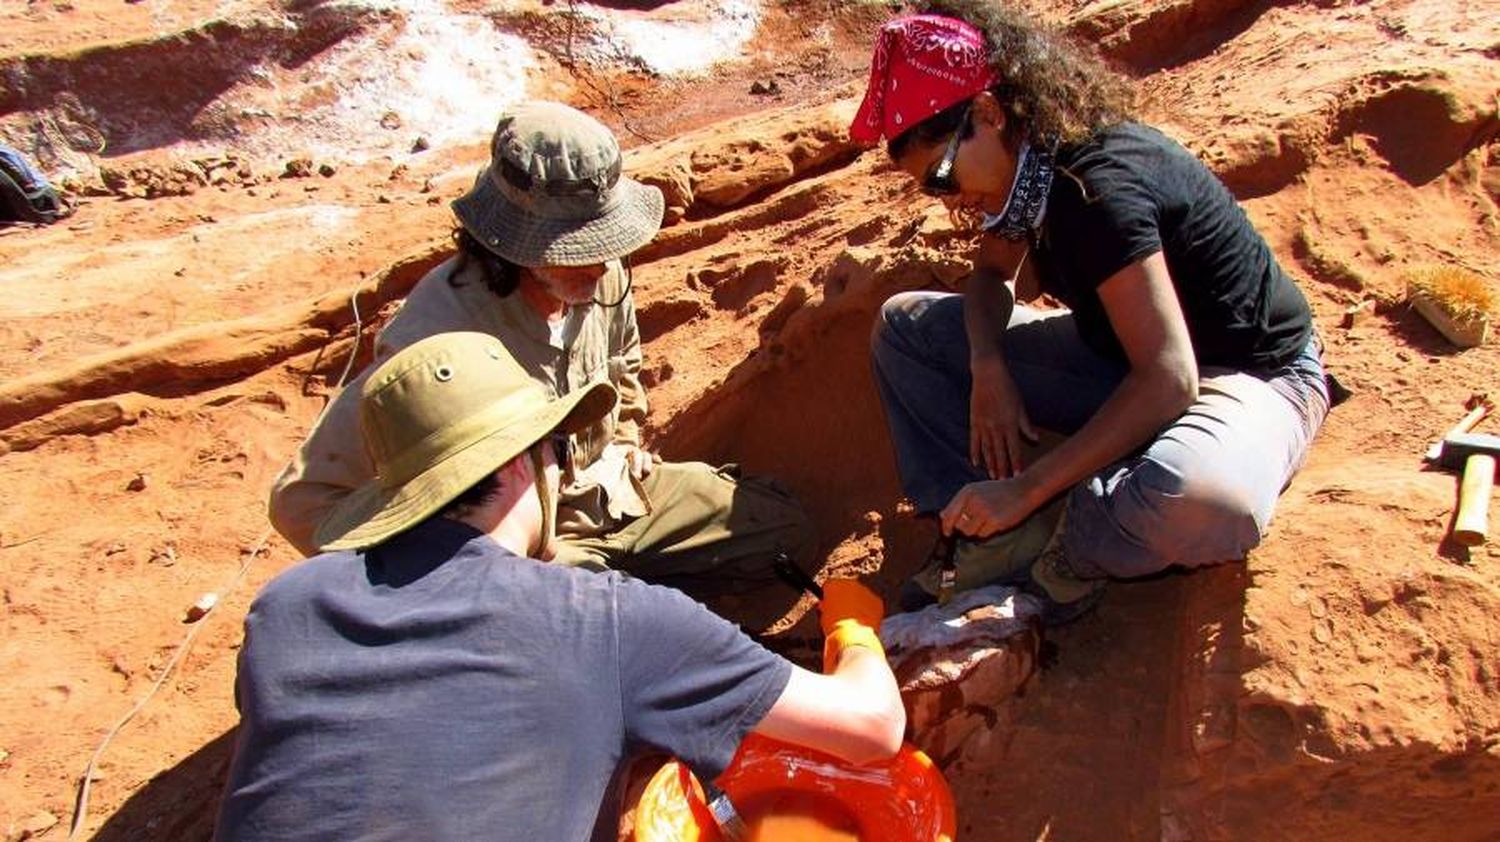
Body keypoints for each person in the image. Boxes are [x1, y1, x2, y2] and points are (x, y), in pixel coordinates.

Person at [216, 331, 905, 841]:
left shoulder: (284, 607)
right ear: (524, 464)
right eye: (559, 449)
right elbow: (872, 729)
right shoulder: (604, 620)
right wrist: (854, 632)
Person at [855, 2, 1332, 621]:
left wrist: (1029, 487)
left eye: (943, 176)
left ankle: (1073, 545)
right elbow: (993, 274)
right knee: (906, 329)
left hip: (1250, 374)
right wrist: (988, 362)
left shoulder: (1097, 191)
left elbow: (1169, 380)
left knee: (1206, 500)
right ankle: (988, 534)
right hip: (1124, 361)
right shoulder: (1027, 173)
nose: (948, 197)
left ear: (989, 112)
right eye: (931, 187)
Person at [269, 101, 814, 633]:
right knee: (604, 632)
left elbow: (622, 363)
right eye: (577, 247)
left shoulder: (602, 275)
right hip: (517, 550)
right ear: (509, 242)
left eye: (605, 239)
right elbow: (304, 500)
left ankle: (622, 604)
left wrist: (623, 440)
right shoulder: (435, 338)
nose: (600, 264)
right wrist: (439, 579)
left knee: (779, 531)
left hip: (605, 494)